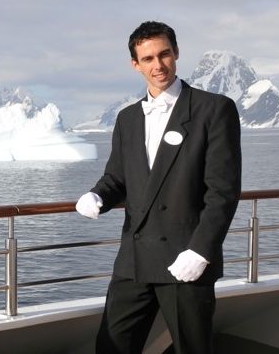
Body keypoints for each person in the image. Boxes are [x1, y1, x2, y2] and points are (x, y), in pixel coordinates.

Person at [75, 21, 241, 353]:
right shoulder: (127, 119)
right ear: (135, 64)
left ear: (176, 53)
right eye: (148, 58)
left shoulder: (213, 109)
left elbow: (222, 192)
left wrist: (201, 251)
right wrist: (97, 195)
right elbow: (118, 178)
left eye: (164, 54)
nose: (158, 65)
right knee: (111, 347)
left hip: (186, 259)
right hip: (134, 261)